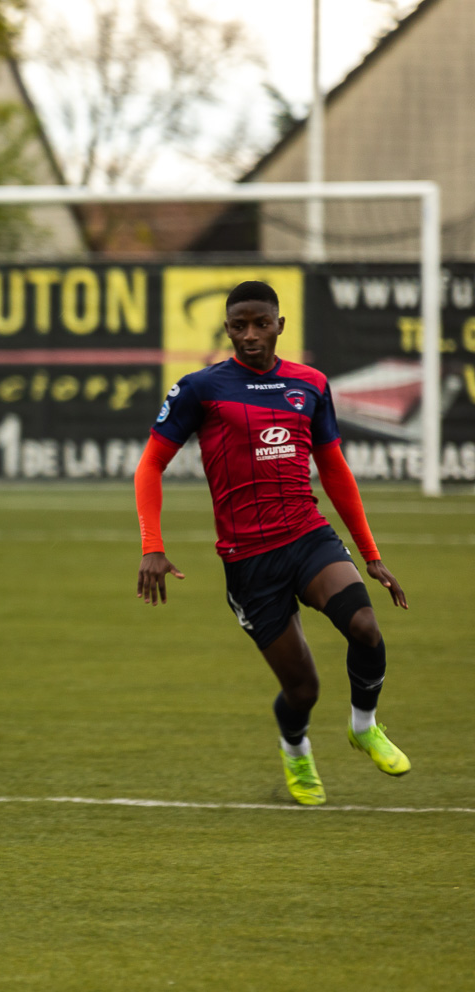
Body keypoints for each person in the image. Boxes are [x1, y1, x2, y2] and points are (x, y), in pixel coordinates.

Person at [134, 280, 409, 806]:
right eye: (239, 326)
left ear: (280, 325)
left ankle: (364, 726)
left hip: (307, 535)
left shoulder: (310, 384)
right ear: (227, 329)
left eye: (261, 324)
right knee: (303, 688)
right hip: (249, 560)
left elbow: (335, 471)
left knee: (364, 625)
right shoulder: (200, 388)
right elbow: (150, 465)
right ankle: (296, 749)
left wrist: (371, 555)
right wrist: (153, 545)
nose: (251, 335)